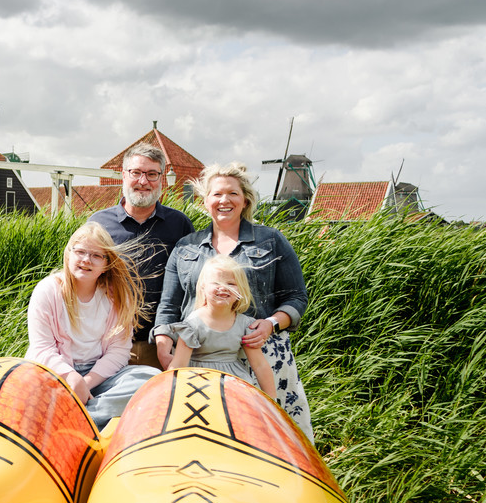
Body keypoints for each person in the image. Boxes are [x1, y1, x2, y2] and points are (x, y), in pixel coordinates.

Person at [152, 162, 314, 440]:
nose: (224, 200)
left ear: (245, 200)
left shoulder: (271, 240)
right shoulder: (186, 247)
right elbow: (169, 304)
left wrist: (271, 324)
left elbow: (296, 296)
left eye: (232, 194)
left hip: (262, 352)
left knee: (273, 434)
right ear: (205, 202)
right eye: (216, 194)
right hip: (200, 355)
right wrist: (164, 342)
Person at [26, 222, 160, 429]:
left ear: (107, 263)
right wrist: (71, 377)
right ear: (68, 254)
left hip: (98, 377)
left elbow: (119, 351)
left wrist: (85, 383)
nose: (86, 260)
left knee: (151, 379)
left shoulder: (115, 296)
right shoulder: (48, 290)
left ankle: (83, 418)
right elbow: (41, 348)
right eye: (80, 252)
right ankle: (81, 412)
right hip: (55, 371)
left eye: (97, 255)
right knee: (26, 387)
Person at [89, 144, 194, 369]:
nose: (143, 181)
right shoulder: (98, 223)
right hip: (105, 344)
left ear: (162, 179)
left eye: (152, 174)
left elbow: (191, 282)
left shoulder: (180, 224)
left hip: (160, 345)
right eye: (136, 173)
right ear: (124, 175)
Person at [166, 255, 276, 398]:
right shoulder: (193, 325)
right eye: (216, 282)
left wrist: (272, 401)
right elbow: (179, 364)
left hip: (235, 385)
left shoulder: (245, 324)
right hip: (199, 385)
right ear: (203, 288)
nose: (223, 288)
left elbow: (259, 365)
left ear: (240, 290)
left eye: (230, 283)